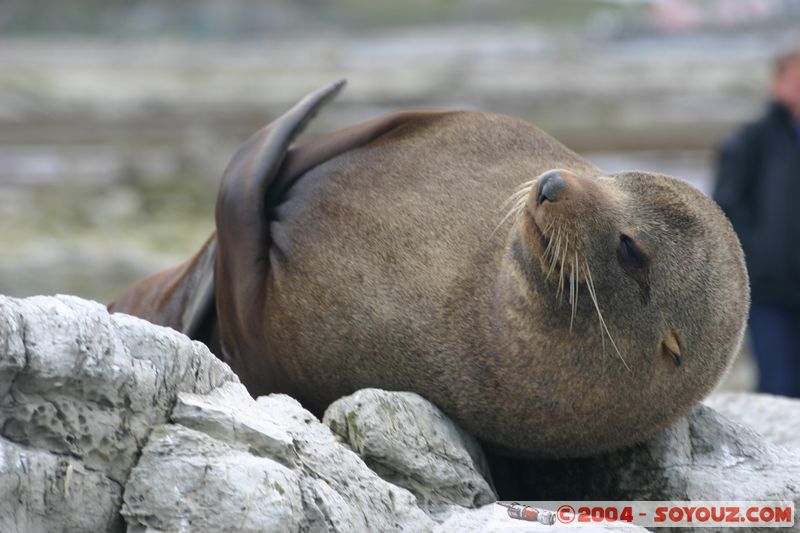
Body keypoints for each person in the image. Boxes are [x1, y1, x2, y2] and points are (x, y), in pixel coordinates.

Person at [713, 49, 800, 397]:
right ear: (776, 85)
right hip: (769, 290)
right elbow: (727, 207)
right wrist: (758, 258)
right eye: (795, 81)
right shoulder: (750, 141)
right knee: (779, 387)